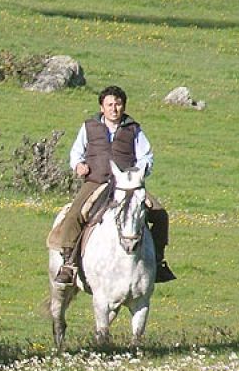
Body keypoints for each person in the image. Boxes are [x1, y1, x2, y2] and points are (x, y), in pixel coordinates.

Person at [51, 85, 174, 285]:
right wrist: (78, 165)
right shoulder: (89, 126)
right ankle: (68, 264)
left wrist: (138, 173)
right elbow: (76, 153)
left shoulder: (134, 129)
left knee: (160, 215)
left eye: (118, 104)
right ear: (102, 107)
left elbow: (146, 157)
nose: (114, 109)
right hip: (96, 181)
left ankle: (158, 262)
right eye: (109, 104)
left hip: (127, 184)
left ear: (123, 106)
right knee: (74, 214)